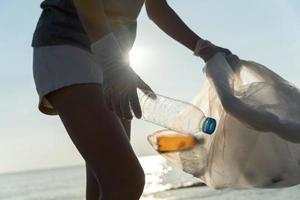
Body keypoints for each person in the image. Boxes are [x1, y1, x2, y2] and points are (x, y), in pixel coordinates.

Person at [32, 0, 231, 199]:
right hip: (68, 44)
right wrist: (113, 64)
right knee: (125, 180)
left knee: (104, 184)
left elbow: (157, 8)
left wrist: (203, 47)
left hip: (115, 58)